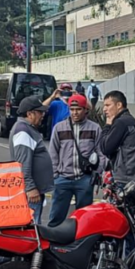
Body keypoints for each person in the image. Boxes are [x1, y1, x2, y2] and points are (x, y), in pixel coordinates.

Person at [47, 94, 103, 227]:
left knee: (84, 218)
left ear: (85, 110)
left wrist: (98, 173)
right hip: (63, 179)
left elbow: (101, 153)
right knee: (56, 217)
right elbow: (53, 153)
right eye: (72, 110)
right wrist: (55, 175)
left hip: (85, 180)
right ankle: (52, 243)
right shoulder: (59, 128)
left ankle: (82, 244)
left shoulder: (94, 128)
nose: (75, 113)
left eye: (78, 109)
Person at [11, 96, 55, 225]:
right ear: (30, 114)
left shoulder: (27, 129)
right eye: (40, 112)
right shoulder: (23, 131)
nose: (43, 115)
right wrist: (30, 188)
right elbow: (22, 163)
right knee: (32, 227)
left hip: (35, 191)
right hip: (31, 193)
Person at [100, 90, 135, 186]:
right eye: (104, 106)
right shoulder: (128, 119)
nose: (104, 109)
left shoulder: (121, 122)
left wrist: (107, 126)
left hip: (124, 177)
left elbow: (105, 148)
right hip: (130, 175)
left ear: (119, 105)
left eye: (108, 105)